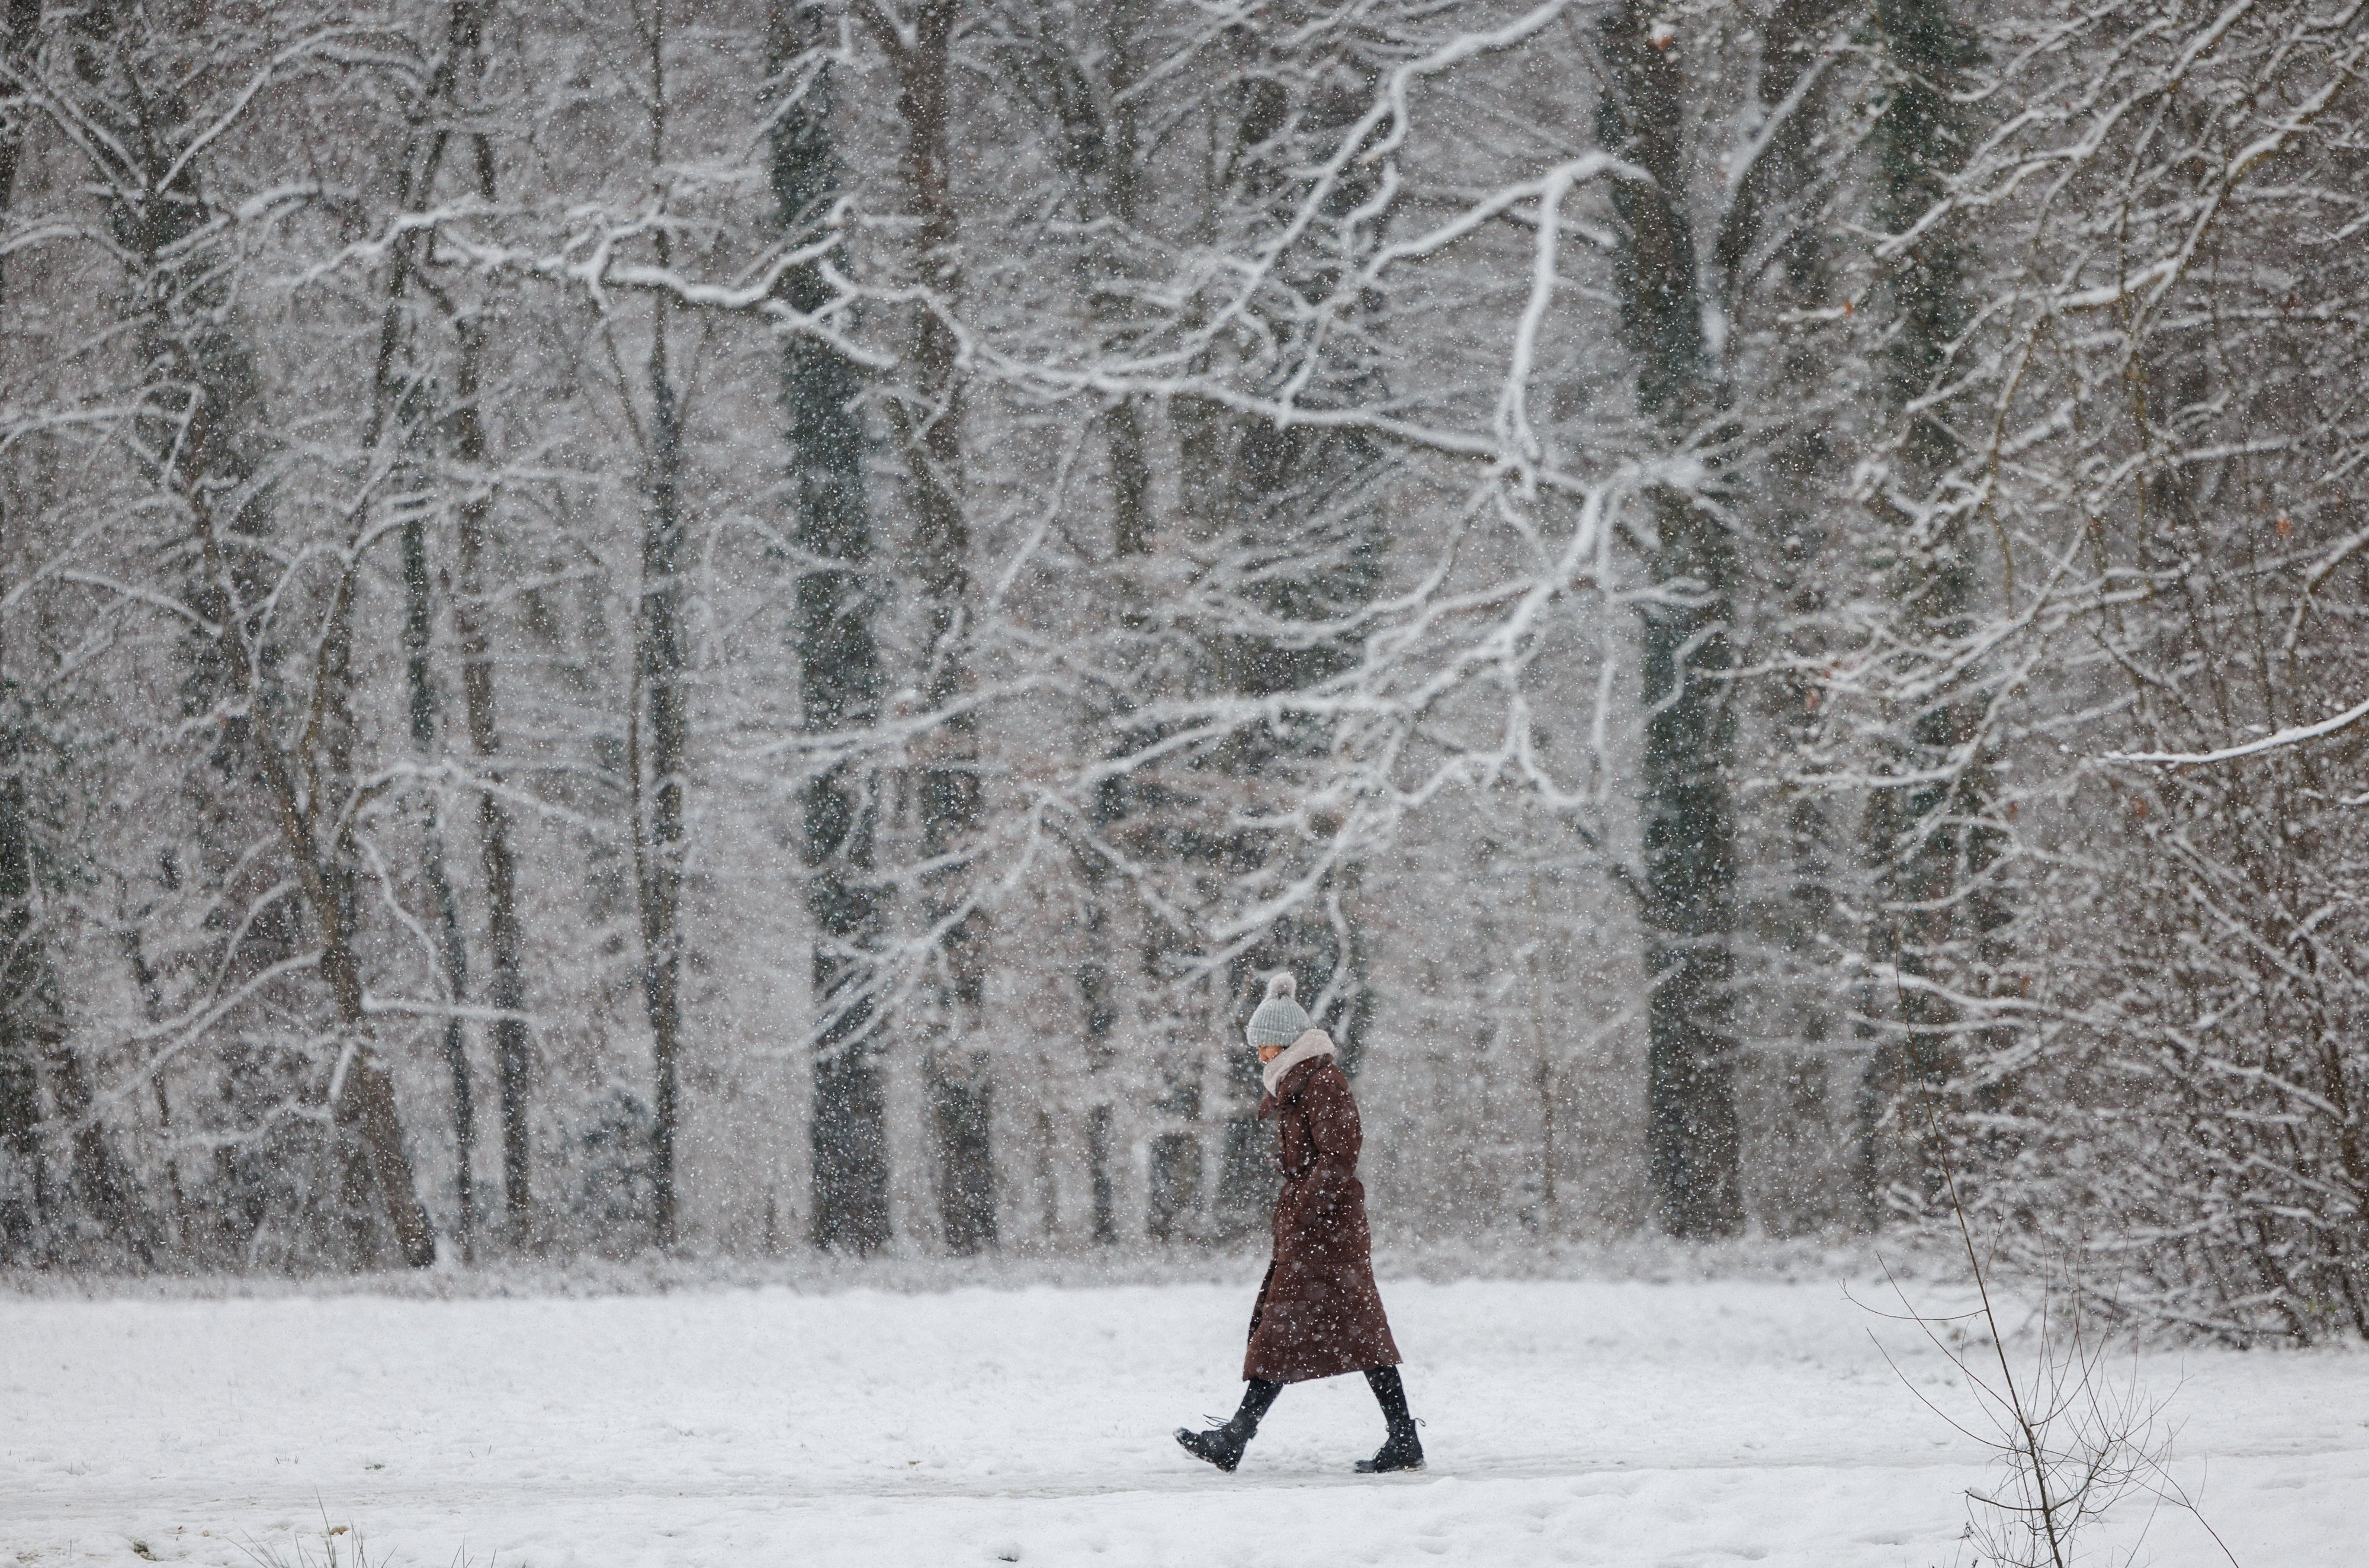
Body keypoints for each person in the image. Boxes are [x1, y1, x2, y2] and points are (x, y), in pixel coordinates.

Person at [1175, 972, 1424, 1474]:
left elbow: (1339, 1157)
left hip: (1326, 1236)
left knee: (1299, 1331)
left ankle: (1237, 1438)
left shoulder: (1322, 1084)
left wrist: (1304, 1211)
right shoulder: (1300, 1084)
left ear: (1287, 1044)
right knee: (1347, 1335)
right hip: (1319, 1233)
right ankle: (1401, 1439)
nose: (1260, 1056)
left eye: (1265, 1046)